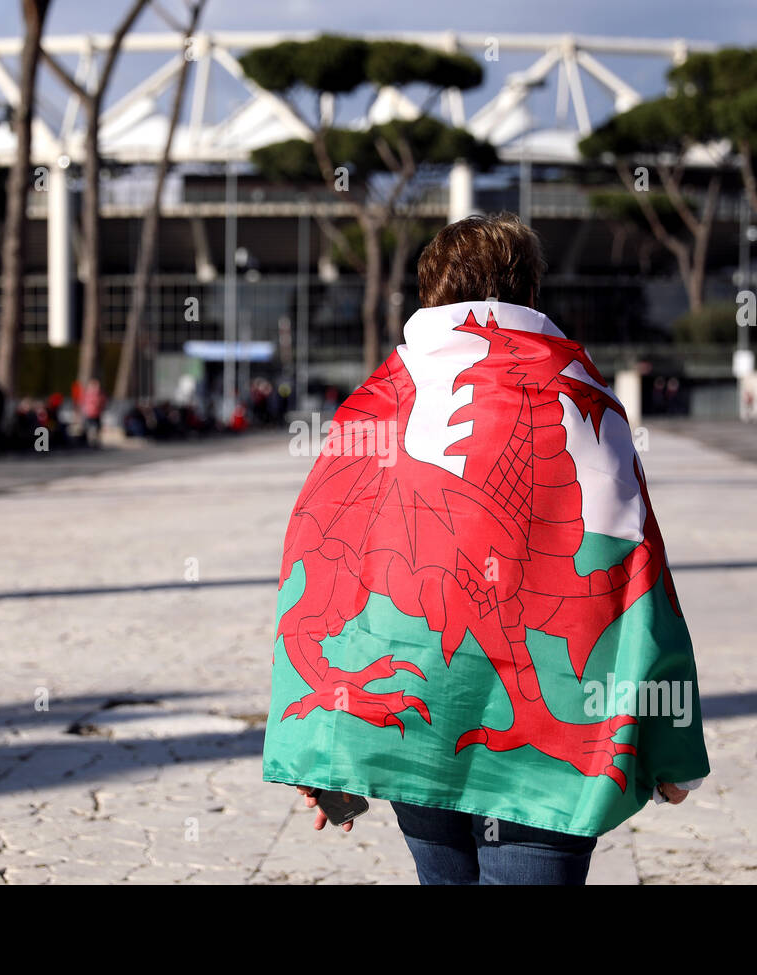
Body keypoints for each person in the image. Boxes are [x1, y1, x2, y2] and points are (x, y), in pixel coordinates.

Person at [262, 213, 709, 885]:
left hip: (420, 718)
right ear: (530, 291)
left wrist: (324, 748)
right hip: (552, 743)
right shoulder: (585, 399)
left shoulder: (379, 402)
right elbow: (638, 578)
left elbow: (320, 556)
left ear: (428, 293)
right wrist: (668, 739)